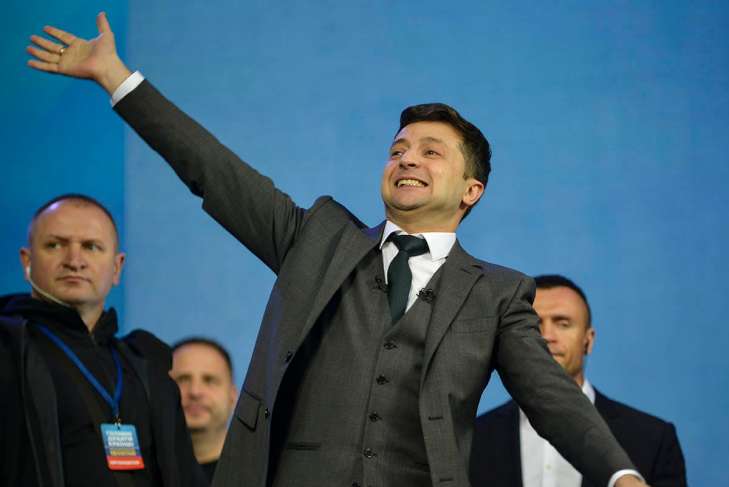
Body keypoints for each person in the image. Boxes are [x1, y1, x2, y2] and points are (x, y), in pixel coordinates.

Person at [26, 13, 649, 487]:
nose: (407, 158)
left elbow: (550, 396)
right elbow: (213, 170)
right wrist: (117, 78)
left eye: (431, 152)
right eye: (398, 149)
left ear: (471, 190)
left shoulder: (498, 293)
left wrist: (620, 475)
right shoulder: (318, 240)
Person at [0, 194, 207, 487]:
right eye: (55, 245)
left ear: (117, 267)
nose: (74, 261)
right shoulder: (8, 349)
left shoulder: (144, 366)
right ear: (27, 261)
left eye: (91, 247)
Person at [471, 274, 687, 487]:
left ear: (588, 340)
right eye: (532, 326)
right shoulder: (472, 437)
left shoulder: (653, 439)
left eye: (563, 324)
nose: (546, 336)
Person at [171, 337, 238, 482]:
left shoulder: (262, 471)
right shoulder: (138, 475)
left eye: (209, 380)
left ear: (232, 397)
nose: (195, 392)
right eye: (182, 379)